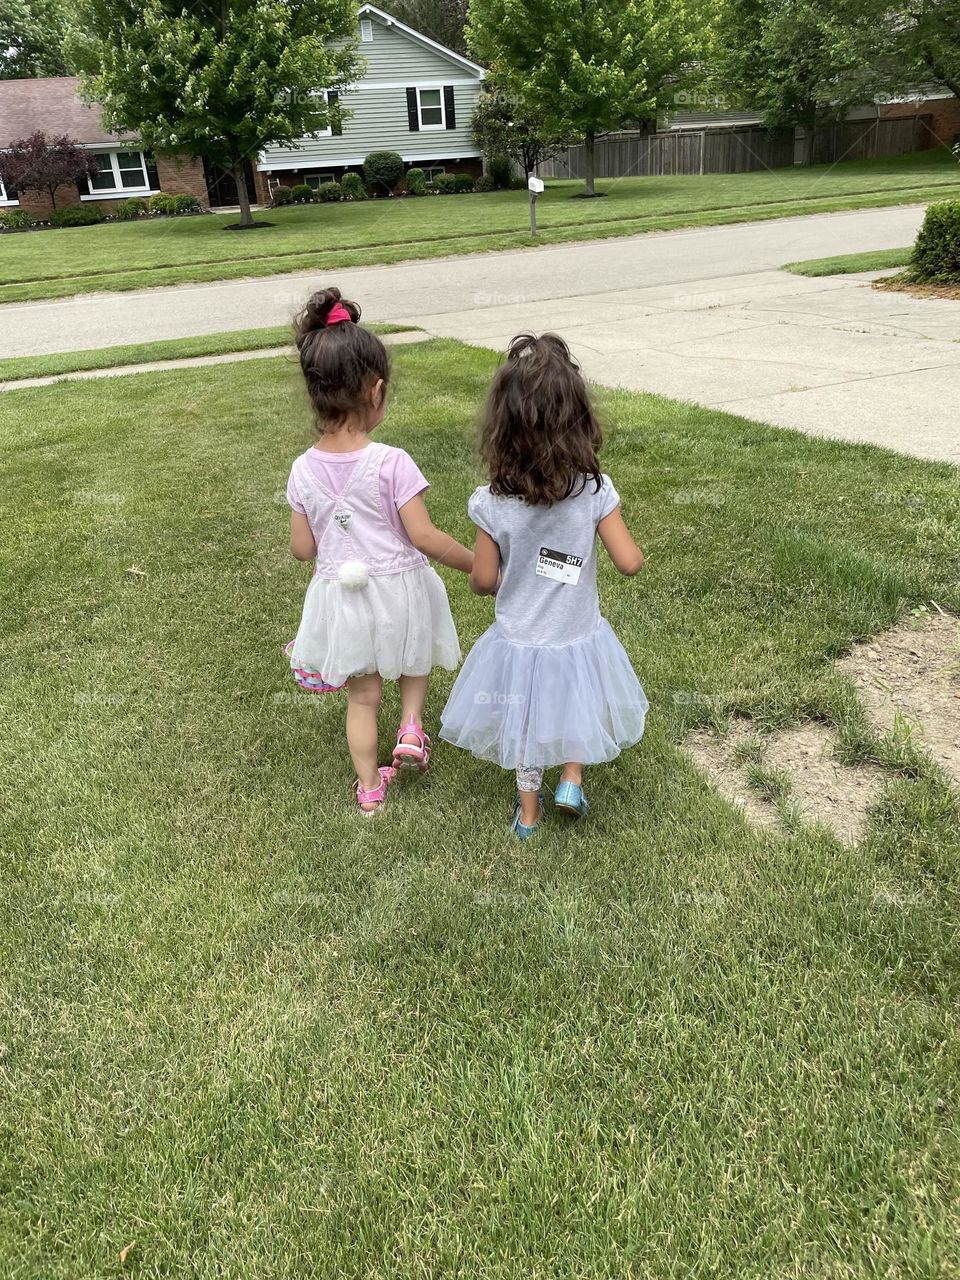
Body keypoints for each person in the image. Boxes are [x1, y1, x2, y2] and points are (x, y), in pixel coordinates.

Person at [440, 333, 648, 839]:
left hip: (521, 639)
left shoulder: (492, 504)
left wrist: (500, 570)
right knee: (578, 698)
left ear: (502, 429)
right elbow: (629, 563)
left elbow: (484, 580)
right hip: (577, 632)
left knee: (527, 723)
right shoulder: (594, 492)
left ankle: (528, 814)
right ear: (579, 421)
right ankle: (572, 780)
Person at [286, 287, 473, 814]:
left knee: (362, 697)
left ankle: (369, 789)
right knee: (415, 655)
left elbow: (303, 549)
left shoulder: (302, 470)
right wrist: (480, 565)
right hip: (402, 588)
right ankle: (412, 725)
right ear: (377, 390)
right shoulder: (392, 462)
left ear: (313, 395)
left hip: (345, 601)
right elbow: (426, 537)